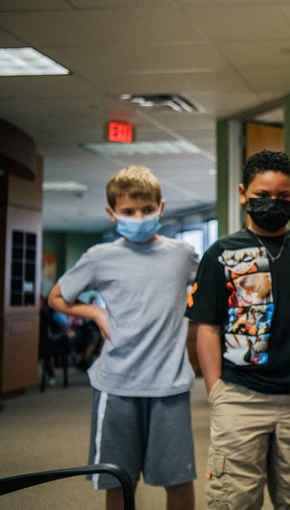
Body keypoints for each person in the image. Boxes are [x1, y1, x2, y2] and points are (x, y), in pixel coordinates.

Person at [187, 149, 290, 509]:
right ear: (243, 194)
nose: (273, 203)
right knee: (234, 500)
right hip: (241, 397)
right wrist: (216, 390)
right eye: (261, 196)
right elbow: (205, 326)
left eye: (283, 197)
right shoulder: (222, 252)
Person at [47, 165, 198, 510]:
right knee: (119, 481)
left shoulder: (182, 254)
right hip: (117, 386)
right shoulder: (100, 257)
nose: (139, 217)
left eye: (147, 209)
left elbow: (209, 289)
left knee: (178, 482)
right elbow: (56, 297)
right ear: (112, 213)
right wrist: (96, 312)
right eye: (129, 211)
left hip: (169, 386)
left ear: (161, 208)